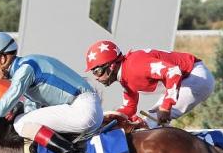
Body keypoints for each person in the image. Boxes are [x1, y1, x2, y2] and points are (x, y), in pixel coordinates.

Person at [0, 32, 103, 153]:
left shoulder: (25, 69)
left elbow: (1, 109)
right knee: (24, 120)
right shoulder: (28, 64)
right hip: (87, 108)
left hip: (83, 110)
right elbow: (32, 107)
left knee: (19, 123)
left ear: (3, 58)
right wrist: (19, 109)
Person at [85, 40, 214, 128]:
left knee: (149, 121)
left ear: (111, 66)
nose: (96, 77)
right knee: (149, 120)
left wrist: (166, 106)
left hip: (196, 76)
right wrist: (108, 118)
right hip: (186, 79)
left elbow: (174, 72)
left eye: (97, 71)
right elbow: (129, 108)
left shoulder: (134, 66)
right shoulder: (125, 77)